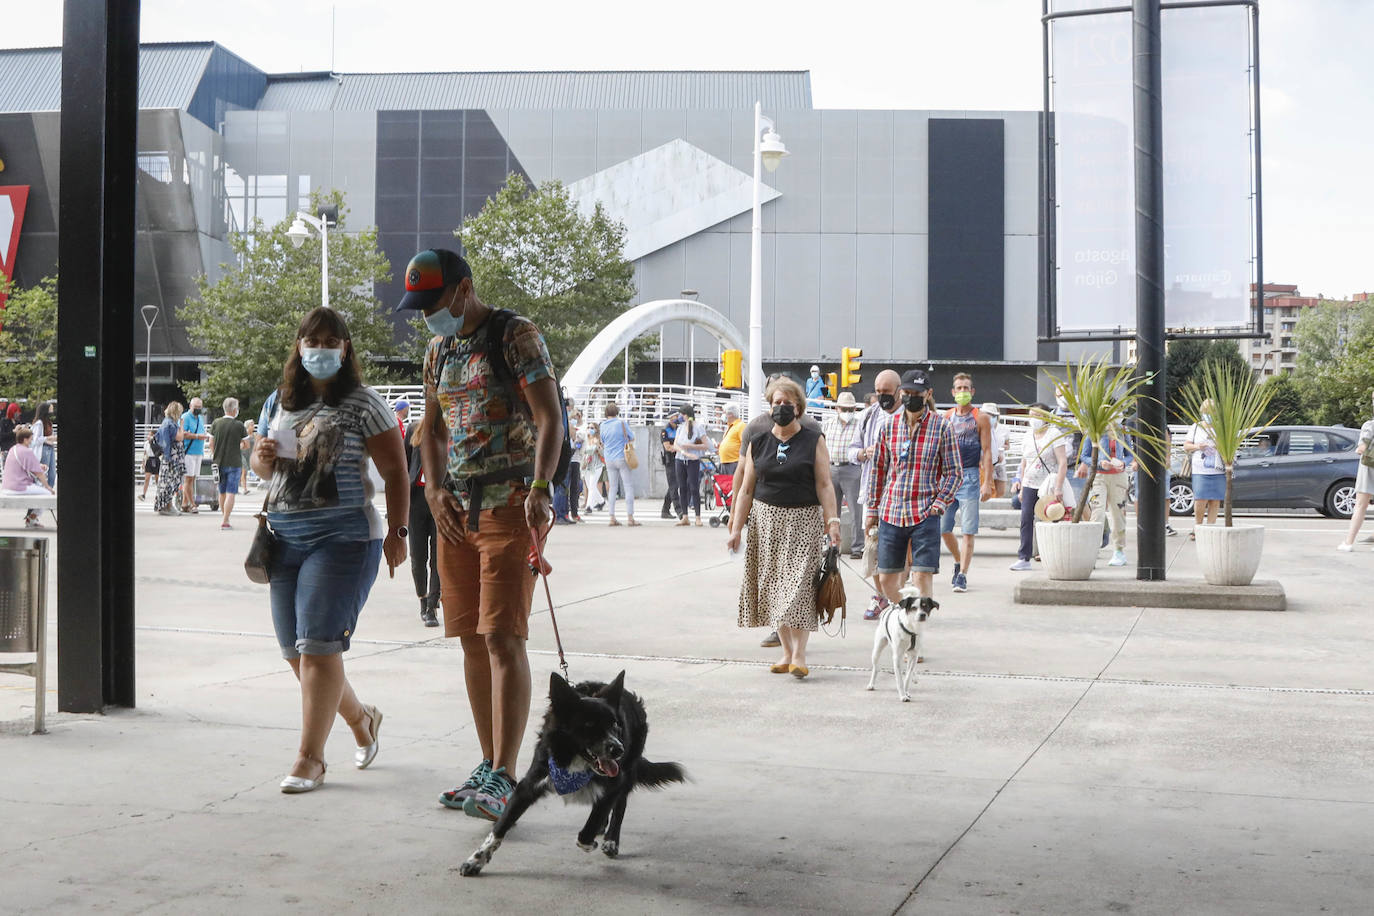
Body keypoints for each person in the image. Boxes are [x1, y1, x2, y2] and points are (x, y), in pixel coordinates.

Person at [399, 248, 562, 822]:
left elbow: (549, 417)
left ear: (464, 290)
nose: (428, 314)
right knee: (469, 636)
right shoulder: (438, 349)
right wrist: (433, 488)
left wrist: (542, 485)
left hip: (509, 503)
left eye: (435, 301)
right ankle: (488, 762)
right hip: (455, 511)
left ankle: (508, 774)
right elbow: (432, 428)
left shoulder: (514, 335)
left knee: (502, 637)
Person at [249, 306, 407, 794]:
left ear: (345, 349)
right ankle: (362, 720)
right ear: (299, 346)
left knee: (318, 648)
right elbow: (264, 469)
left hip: (342, 541)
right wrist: (260, 457)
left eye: (329, 341)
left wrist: (399, 535)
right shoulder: (279, 401)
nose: (319, 349)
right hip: (283, 540)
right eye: (311, 340)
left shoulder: (364, 403)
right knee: (297, 655)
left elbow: (397, 472)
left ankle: (310, 759)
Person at [727, 377, 841, 678]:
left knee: (801, 588)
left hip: (804, 520)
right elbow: (746, 489)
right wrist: (736, 527)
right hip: (766, 523)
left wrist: (833, 522)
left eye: (786, 404)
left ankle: (801, 655)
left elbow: (825, 484)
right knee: (772, 589)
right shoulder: (758, 440)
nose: (781, 408)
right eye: (776, 403)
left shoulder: (813, 438)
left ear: (798, 407)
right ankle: (787, 652)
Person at [864, 369, 962, 629]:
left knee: (921, 575)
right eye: (906, 393)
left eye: (916, 394)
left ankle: (916, 636)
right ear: (900, 393)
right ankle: (904, 618)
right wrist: (872, 511)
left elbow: (954, 473)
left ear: (928, 394)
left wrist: (939, 505)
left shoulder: (942, 427)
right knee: (886, 580)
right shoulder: (888, 427)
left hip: (925, 512)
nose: (911, 398)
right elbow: (878, 470)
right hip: (892, 511)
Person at [850, 368, 902, 612]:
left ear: (899, 392)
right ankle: (881, 596)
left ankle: (897, 598)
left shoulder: (909, 417)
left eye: (887, 392)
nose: (883, 397)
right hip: (872, 494)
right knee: (873, 549)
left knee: (899, 553)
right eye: (879, 392)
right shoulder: (869, 416)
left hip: (901, 497)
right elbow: (852, 450)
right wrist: (863, 453)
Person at [938, 373, 993, 594]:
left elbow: (987, 451)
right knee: (944, 528)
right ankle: (959, 559)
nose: (962, 391)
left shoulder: (981, 418)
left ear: (972, 391)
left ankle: (962, 575)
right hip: (948, 477)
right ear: (952, 392)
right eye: (958, 387)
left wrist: (987, 481)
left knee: (968, 530)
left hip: (970, 476)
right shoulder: (946, 417)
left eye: (966, 388)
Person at [1009, 404, 1071, 571]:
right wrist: (1021, 486)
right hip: (1030, 483)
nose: (1034, 419)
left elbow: (1063, 462)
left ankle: (1055, 556)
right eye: (1031, 415)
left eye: (1037, 415)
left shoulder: (1054, 434)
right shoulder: (1028, 435)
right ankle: (1024, 557)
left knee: (1051, 518)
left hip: (1048, 484)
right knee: (1026, 519)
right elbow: (1024, 461)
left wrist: (1058, 487)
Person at [404, 417, 441, 627]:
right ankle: (422, 599)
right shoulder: (413, 428)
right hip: (416, 499)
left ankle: (432, 607)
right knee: (418, 558)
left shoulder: (448, 429)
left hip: (439, 500)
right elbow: (404, 462)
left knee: (437, 559)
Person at [1080, 426, 1134, 566]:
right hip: (1099, 477)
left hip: (1119, 477)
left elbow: (1130, 454)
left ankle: (1119, 551)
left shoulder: (1122, 431)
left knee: (1118, 514)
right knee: (1097, 513)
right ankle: (1092, 550)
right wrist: (1099, 463)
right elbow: (1084, 455)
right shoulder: (1094, 429)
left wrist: (1123, 463)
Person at [820, 391, 865, 557]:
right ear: (837, 408)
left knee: (855, 510)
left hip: (852, 468)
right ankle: (832, 545)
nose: (847, 412)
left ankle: (857, 547)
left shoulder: (859, 424)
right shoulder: (828, 424)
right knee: (831, 511)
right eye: (844, 408)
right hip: (831, 468)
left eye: (850, 409)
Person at [1337, 391, 1374, 552]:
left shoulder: (1369, 425)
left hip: (1368, 467)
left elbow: (1365, 441)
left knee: (1360, 505)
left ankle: (1348, 542)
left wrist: (1362, 448)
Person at [1182, 399, 1223, 539]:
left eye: (1211, 412)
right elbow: (1186, 446)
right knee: (1200, 499)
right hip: (1200, 469)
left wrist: (1219, 445)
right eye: (1206, 412)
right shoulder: (1195, 427)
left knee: (1215, 500)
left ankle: (1210, 528)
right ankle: (1198, 527)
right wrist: (1199, 447)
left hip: (1218, 469)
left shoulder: (1221, 427)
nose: (1208, 415)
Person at [2, 425, 54, 527]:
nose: (31, 442)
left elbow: (27, 464)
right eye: (30, 439)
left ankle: (31, 519)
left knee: (42, 492)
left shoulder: (13, 449)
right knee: (47, 494)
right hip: (19, 487)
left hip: (7, 487)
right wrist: (48, 487)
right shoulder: (27, 451)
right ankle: (32, 519)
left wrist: (39, 466)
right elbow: (39, 473)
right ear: (25, 439)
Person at [210, 397, 248, 530]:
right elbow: (246, 444)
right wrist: (239, 445)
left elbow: (211, 444)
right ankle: (225, 520)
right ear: (234, 410)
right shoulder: (239, 425)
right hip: (234, 462)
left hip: (219, 462)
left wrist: (216, 454)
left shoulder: (216, 423)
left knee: (222, 492)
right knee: (231, 492)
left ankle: (224, 517)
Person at [599, 403, 638, 526]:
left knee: (612, 488)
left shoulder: (603, 426)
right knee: (628, 486)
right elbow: (631, 437)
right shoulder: (621, 423)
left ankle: (612, 517)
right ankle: (630, 518)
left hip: (609, 459)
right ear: (617, 412)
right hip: (622, 457)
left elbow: (602, 441)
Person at [673, 405, 708, 526]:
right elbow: (675, 445)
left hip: (693, 460)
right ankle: (685, 516)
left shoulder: (699, 427)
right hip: (680, 459)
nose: (680, 417)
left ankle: (698, 517)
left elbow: (705, 445)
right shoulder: (680, 428)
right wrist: (684, 452)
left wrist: (691, 447)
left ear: (686, 415)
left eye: (681, 415)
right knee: (682, 488)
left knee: (694, 487)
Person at [153, 402, 187, 516]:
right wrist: (182, 425)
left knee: (167, 482)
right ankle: (168, 506)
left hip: (169, 456)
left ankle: (165, 506)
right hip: (172, 458)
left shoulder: (167, 422)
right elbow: (180, 437)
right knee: (171, 482)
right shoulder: (171, 423)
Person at [180, 397, 209, 513]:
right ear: (190, 406)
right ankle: (192, 504)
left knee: (193, 479)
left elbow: (201, 431)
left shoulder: (200, 418)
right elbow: (182, 433)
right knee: (188, 478)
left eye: (199, 407)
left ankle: (184, 503)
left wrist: (203, 436)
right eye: (196, 407)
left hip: (198, 451)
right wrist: (197, 436)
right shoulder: (185, 417)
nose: (198, 409)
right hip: (188, 452)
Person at [981, 402, 1008, 497]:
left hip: (999, 462)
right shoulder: (978, 427)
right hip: (984, 464)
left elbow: (1007, 444)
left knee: (1000, 491)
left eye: (992, 415)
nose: (990, 417)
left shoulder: (1002, 428)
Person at [580, 419, 606, 513]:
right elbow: (582, 453)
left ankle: (589, 507)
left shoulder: (598, 440)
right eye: (589, 427)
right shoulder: (586, 440)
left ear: (596, 430)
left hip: (597, 466)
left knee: (591, 486)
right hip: (587, 466)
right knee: (591, 486)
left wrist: (598, 446)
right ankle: (601, 501)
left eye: (592, 428)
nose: (590, 429)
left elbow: (603, 454)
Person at [660, 412, 682, 519]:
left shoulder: (679, 429)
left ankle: (665, 510)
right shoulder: (665, 431)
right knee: (674, 486)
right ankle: (679, 511)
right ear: (670, 419)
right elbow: (667, 447)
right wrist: (680, 448)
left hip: (679, 459)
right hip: (670, 461)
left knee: (674, 486)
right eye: (676, 417)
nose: (678, 418)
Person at [31, 401, 57, 490]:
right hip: (44, 449)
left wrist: (51, 439)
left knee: (52, 473)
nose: (52, 411)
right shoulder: (39, 423)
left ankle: (49, 491)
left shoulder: (48, 422)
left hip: (50, 448)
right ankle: (43, 492)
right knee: (44, 473)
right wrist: (48, 438)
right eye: (50, 409)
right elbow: (35, 439)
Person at [717, 404, 744, 475]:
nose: (723, 415)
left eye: (724, 413)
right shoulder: (729, 427)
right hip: (725, 462)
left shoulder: (741, 426)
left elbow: (744, 444)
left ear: (730, 414)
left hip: (734, 462)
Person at [140, 424, 161, 501]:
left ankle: (158, 494)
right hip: (149, 460)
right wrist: (143, 463)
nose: (148, 436)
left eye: (150, 434)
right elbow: (145, 453)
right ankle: (143, 494)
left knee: (157, 479)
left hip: (156, 459)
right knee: (147, 478)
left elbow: (159, 451)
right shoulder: (146, 443)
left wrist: (153, 441)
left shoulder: (157, 442)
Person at [240, 420, 256, 494]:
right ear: (247, 426)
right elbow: (240, 444)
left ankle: (238, 486)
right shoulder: (244, 435)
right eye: (251, 425)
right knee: (244, 471)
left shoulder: (255, 435)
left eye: (253, 425)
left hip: (249, 455)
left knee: (243, 472)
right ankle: (245, 489)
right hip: (242, 454)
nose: (253, 427)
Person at [0, 401, 17, 465]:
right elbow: (2, 436)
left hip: (15, 449)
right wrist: (13, 432)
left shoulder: (17, 422)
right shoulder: (4, 421)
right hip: (6, 449)